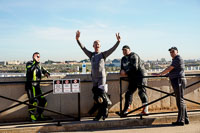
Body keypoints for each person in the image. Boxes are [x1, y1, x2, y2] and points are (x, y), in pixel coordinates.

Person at [76, 30, 121, 121]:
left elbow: (112, 49)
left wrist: (118, 42)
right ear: (93, 46)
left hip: (101, 78)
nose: (97, 45)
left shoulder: (103, 54)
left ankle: (100, 114)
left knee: (101, 96)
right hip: (94, 79)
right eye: (95, 44)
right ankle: (104, 111)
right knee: (97, 97)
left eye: (98, 44)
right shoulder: (91, 55)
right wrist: (78, 39)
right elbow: (83, 48)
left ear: (100, 46)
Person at [153, 47, 189, 126]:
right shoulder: (175, 60)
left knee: (180, 101)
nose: (171, 53)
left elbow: (169, 68)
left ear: (177, 52)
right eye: (170, 52)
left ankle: (181, 120)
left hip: (178, 81)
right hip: (177, 80)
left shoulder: (178, 59)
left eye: (173, 52)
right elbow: (173, 71)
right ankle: (185, 119)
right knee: (181, 100)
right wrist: (165, 74)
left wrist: (160, 74)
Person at [116, 45, 149, 116]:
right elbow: (122, 68)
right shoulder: (123, 59)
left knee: (141, 91)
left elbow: (135, 67)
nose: (124, 51)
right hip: (132, 77)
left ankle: (145, 110)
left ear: (129, 50)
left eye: (126, 50)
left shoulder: (134, 55)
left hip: (141, 75)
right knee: (128, 93)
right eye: (123, 50)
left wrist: (126, 72)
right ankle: (125, 111)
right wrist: (121, 71)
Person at [25, 52, 50, 122]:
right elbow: (30, 70)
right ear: (33, 57)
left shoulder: (39, 65)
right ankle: (32, 116)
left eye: (39, 56)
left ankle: (39, 115)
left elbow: (45, 71)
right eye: (36, 56)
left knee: (43, 101)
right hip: (30, 86)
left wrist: (46, 73)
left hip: (37, 86)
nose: (38, 57)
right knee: (33, 101)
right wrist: (35, 62)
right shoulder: (29, 63)